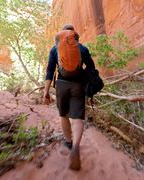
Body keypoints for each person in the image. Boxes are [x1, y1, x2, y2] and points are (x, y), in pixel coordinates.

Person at [43, 24, 95, 170]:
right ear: (74, 35)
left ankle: (69, 142)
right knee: (77, 117)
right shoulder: (82, 48)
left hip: (61, 85)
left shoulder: (55, 49)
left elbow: (50, 70)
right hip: (78, 85)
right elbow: (91, 67)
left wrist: (46, 91)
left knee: (64, 115)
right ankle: (76, 146)